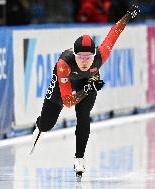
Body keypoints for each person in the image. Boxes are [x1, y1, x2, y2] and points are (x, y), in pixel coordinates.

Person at [32, 4, 140, 177]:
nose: (84, 61)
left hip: (88, 81)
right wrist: (86, 89)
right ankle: (40, 124)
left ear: (94, 55)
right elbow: (67, 102)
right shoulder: (63, 65)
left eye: (88, 57)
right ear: (74, 55)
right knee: (46, 125)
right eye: (80, 57)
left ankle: (79, 158)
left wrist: (128, 15)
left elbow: (115, 32)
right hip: (67, 81)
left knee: (83, 116)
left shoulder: (102, 54)